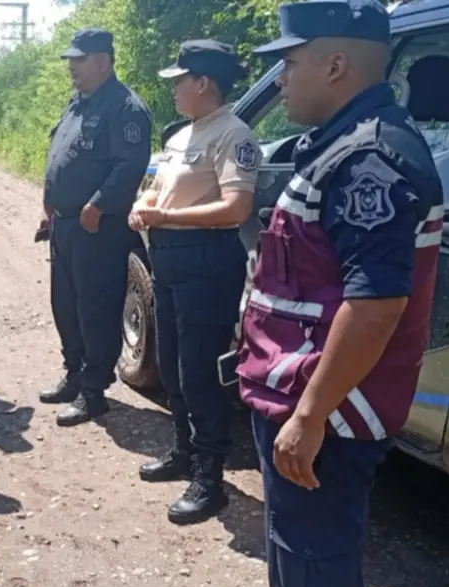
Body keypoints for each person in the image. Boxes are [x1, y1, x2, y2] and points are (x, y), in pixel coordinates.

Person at [238, 2, 443, 587]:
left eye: (289, 63)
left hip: (328, 417)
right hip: (305, 402)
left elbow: (375, 306)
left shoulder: (368, 157)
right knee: (298, 571)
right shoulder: (338, 145)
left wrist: (309, 416)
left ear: (334, 66)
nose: (280, 79)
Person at [129, 40, 259, 525]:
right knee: (171, 365)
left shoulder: (234, 134)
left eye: (180, 80)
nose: (175, 89)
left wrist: (167, 216)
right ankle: (184, 450)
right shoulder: (181, 136)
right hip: (169, 260)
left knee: (200, 371)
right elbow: (158, 190)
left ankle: (210, 477)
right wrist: (144, 206)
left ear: (203, 83)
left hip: (207, 263)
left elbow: (236, 208)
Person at [39, 28, 152, 427]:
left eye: (79, 59)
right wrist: (49, 202)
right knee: (65, 304)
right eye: (70, 59)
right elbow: (61, 155)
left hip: (97, 228)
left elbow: (129, 165)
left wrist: (98, 204)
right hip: (65, 225)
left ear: (103, 61)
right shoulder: (78, 103)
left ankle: (93, 391)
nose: (71, 66)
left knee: (95, 308)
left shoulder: (125, 107)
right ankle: (74, 373)